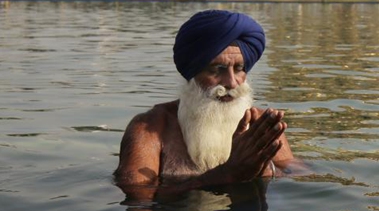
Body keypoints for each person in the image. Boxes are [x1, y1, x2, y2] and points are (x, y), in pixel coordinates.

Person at [114, 10, 299, 200]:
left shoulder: (260, 125)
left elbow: (299, 176)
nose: (232, 83)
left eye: (239, 69)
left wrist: (267, 170)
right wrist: (227, 174)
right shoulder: (151, 128)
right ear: (191, 74)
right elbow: (138, 200)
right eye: (217, 70)